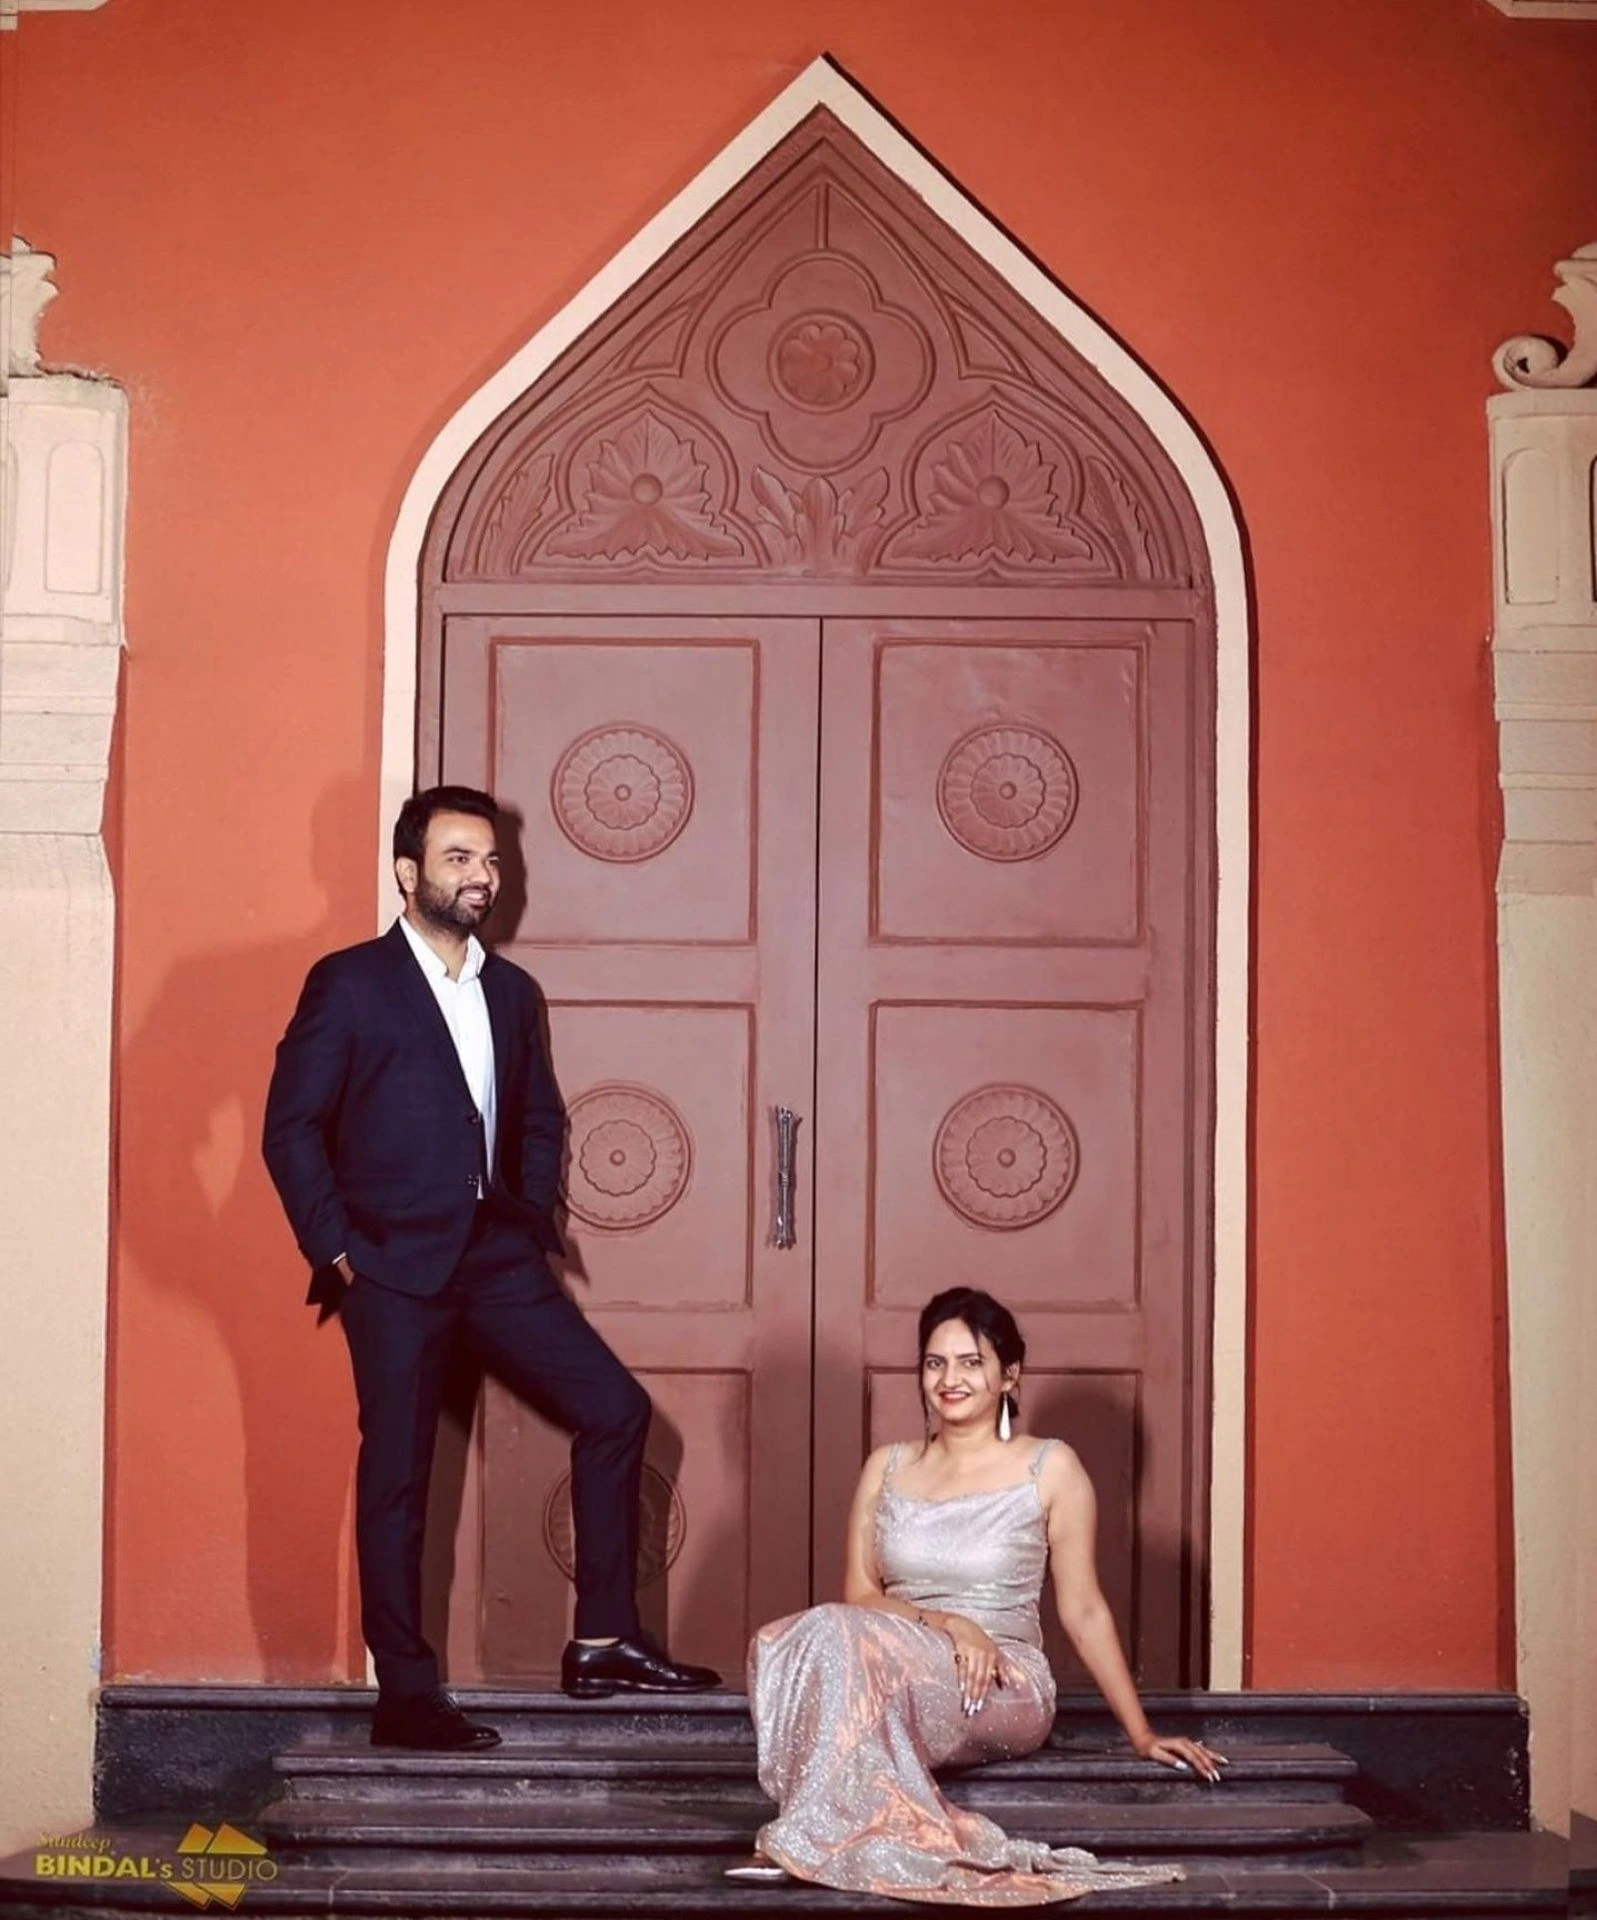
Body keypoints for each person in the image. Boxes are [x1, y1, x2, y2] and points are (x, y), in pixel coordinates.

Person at [262, 785, 719, 1750]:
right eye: (459, 858)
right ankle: (405, 1695)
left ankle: (602, 1641)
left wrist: (528, 1206)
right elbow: (289, 1126)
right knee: (398, 1477)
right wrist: (338, 1250)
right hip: (390, 1269)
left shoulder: (510, 992)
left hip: (498, 1260)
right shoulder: (349, 983)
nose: (481, 876)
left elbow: (539, 1116)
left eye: (492, 860)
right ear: (408, 872)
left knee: (614, 1409)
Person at [740, 1287, 1225, 1906]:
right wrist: (948, 1623)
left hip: (1000, 1681)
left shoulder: (1049, 1467)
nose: (950, 1379)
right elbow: (860, 1595)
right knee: (806, 1634)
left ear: (1009, 1375)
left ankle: (801, 1839)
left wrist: (1141, 1734)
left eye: (971, 1362)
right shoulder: (887, 1467)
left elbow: (1083, 1610)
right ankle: (822, 1834)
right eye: (935, 1363)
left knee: (836, 1646)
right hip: (895, 1659)